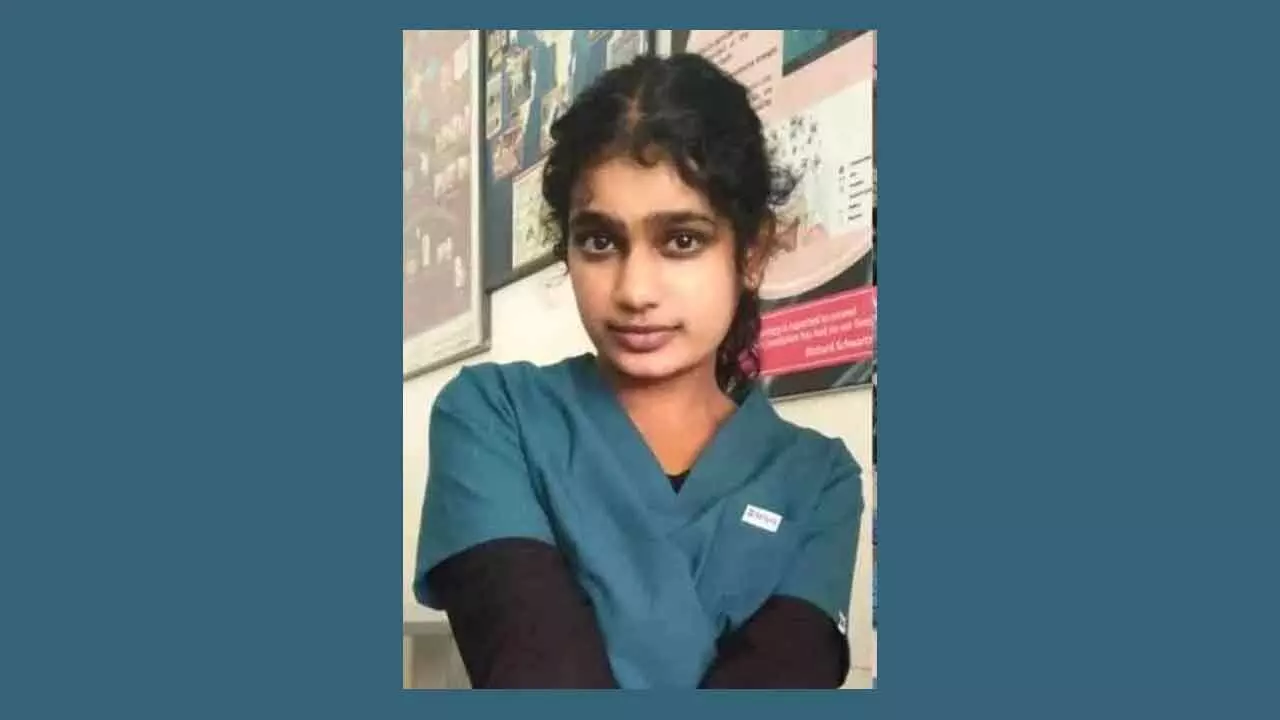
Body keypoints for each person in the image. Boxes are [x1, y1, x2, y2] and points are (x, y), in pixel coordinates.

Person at [412, 52, 865, 689]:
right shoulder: (492, 416)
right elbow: (535, 668)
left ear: (752, 252)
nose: (634, 291)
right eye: (599, 241)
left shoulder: (818, 480)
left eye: (682, 240)